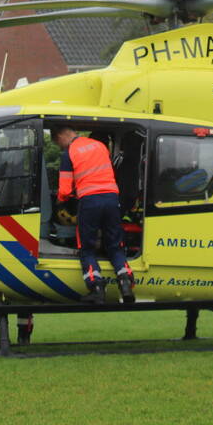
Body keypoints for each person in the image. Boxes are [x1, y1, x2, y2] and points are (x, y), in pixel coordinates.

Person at [52, 125, 135, 304]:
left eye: (58, 143)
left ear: (61, 136)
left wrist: (59, 200)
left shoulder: (69, 153)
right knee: (114, 245)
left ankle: (96, 288)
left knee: (87, 248)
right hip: (112, 199)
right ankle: (126, 283)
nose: (61, 147)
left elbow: (65, 190)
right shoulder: (99, 146)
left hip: (90, 202)